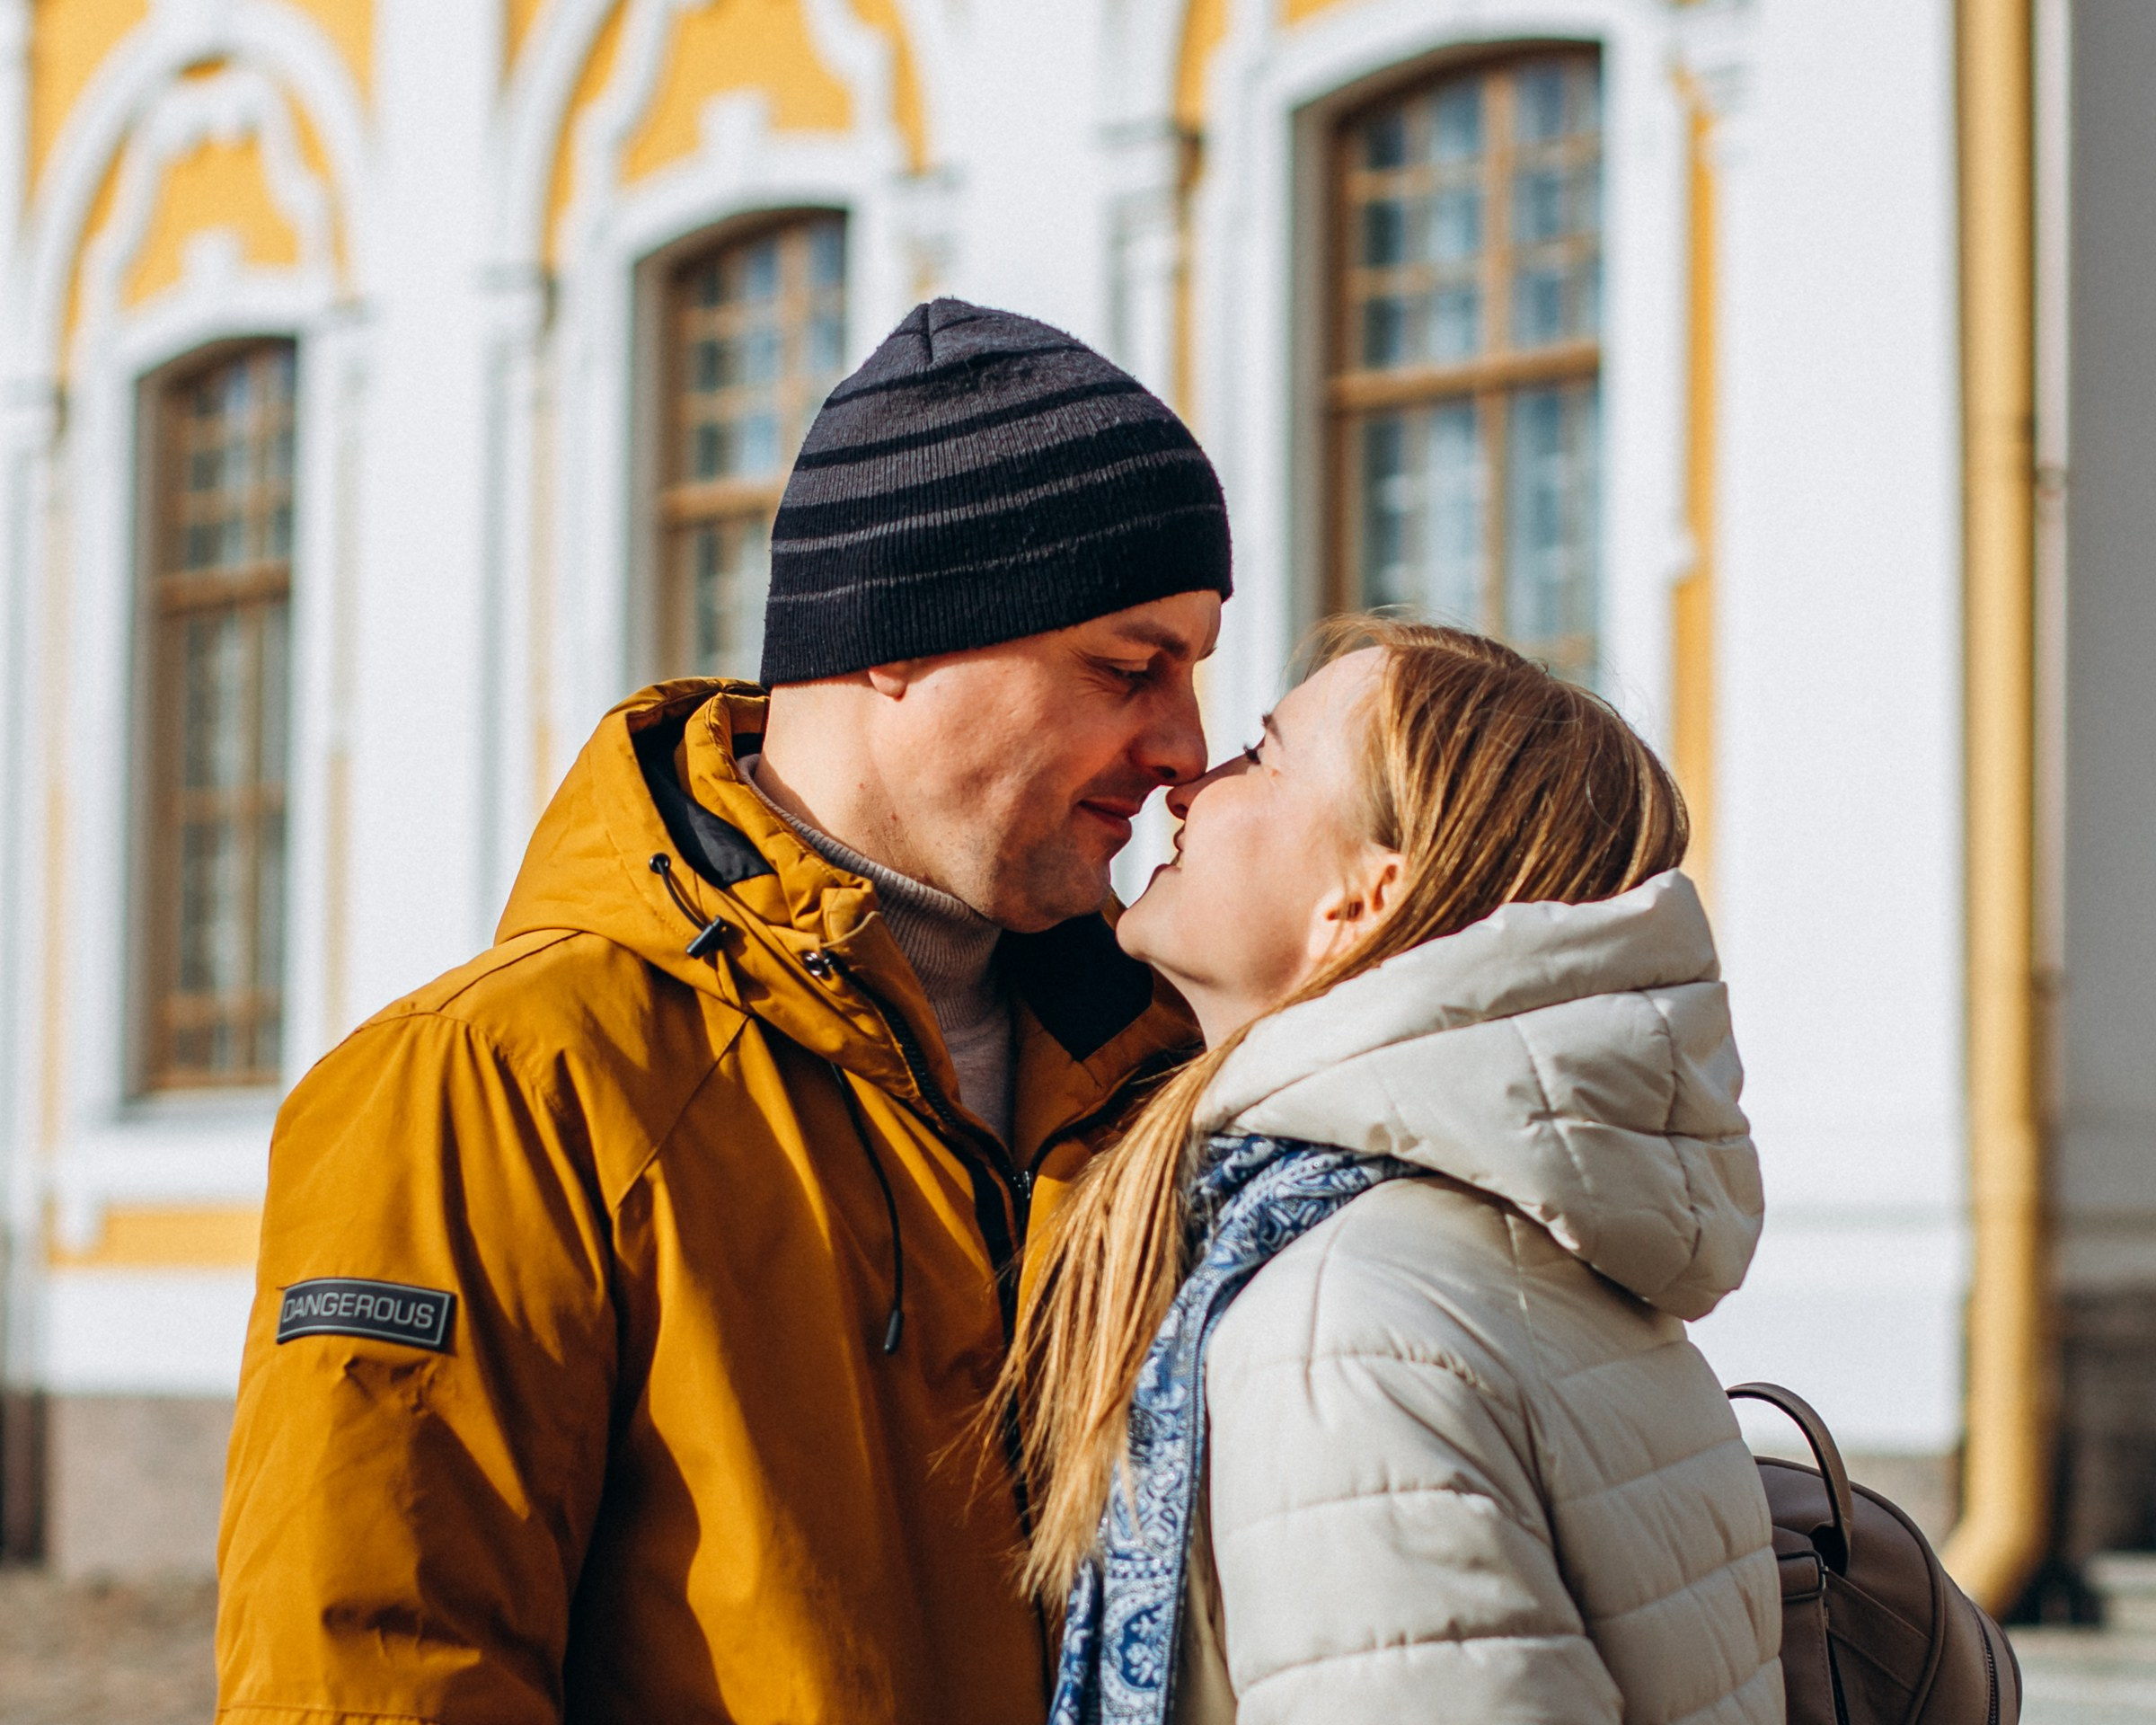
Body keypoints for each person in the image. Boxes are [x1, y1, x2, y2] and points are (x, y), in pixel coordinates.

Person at [215, 299, 1231, 1725]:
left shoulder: (1165, 1062)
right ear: (898, 634)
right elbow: (372, 1678)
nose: (1185, 747)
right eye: (1130, 668)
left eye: (1195, 667)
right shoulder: (492, 1087)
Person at [1005, 620, 1784, 1725]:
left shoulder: (1337, 1323)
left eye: (1263, 757)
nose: (1190, 786)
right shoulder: (1509, 1249)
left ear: (1365, 898)